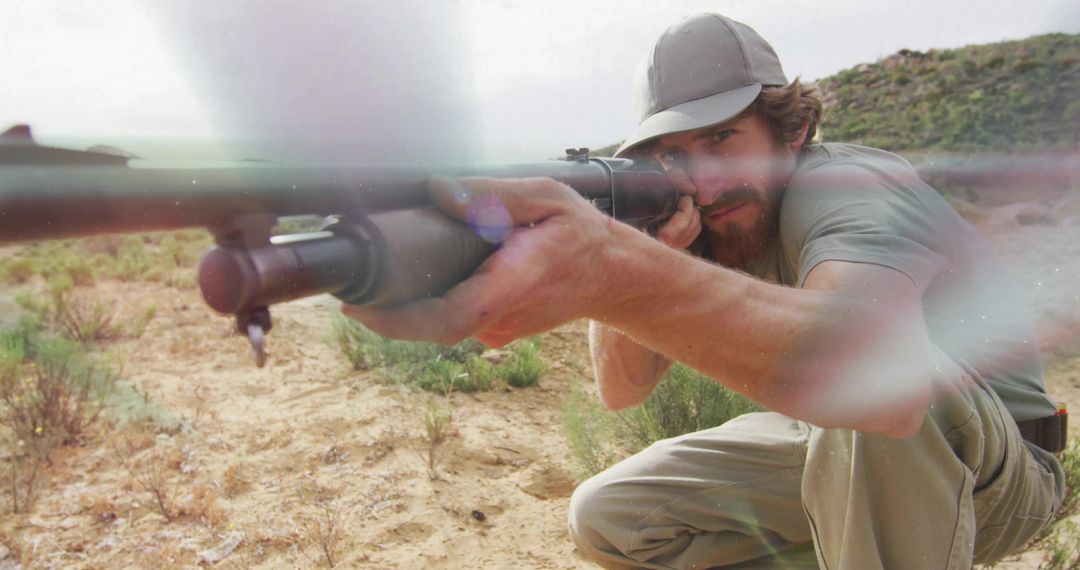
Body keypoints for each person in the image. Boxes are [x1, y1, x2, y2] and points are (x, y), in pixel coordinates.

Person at [343, 13, 1067, 569]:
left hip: (997, 474)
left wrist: (619, 269)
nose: (706, 181)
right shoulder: (706, 217)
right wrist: (641, 248)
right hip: (850, 453)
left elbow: (875, 378)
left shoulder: (844, 186)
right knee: (613, 517)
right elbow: (621, 391)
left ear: (792, 130)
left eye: (723, 139)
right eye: (674, 155)